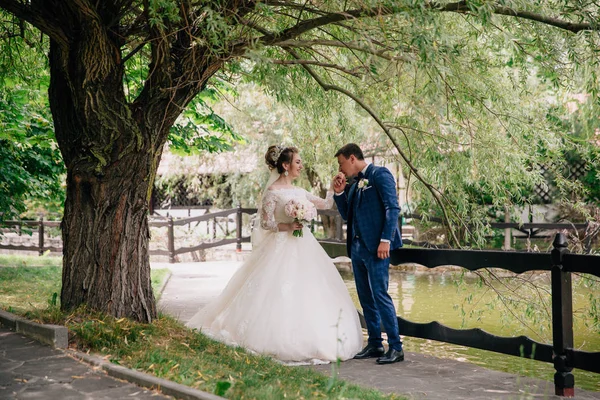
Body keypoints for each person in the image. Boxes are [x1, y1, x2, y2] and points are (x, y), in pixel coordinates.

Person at [186, 145, 363, 364]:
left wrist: (332, 187)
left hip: (304, 246)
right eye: (297, 162)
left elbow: (326, 204)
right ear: (286, 166)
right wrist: (289, 226)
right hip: (280, 246)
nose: (301, 166)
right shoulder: (272, 193)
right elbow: (266, 223)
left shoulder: (300, 192)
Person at [332, 143, 404, 364]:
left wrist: (386, 240)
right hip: (357, 249)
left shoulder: (380, 174)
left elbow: (392, 208)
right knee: (365, 298)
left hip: (376, 249)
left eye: (342, 163)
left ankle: (396, 347)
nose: (341, 169)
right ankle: (375, 343)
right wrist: (340, 193)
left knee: (380, 295)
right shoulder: (354, 185)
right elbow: (347, 215)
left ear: (352, 158)